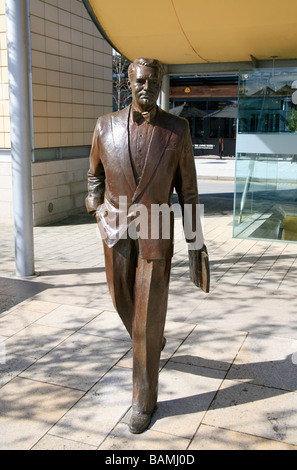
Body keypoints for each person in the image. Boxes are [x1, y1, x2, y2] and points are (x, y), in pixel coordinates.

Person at [86, 58, 207, 434]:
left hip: (156, 231)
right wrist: (97, 209)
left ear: (160, 84)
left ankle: (144, 400)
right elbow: (94, 177)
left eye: (153, 82)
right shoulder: (105, 126)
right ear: (128, 82)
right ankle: (152, 336)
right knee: (123, 302)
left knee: (144, 321)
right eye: (140, 81)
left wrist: (195, 243)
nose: (147, 88)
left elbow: (187, 190)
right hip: (116, 229)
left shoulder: (177, 129)